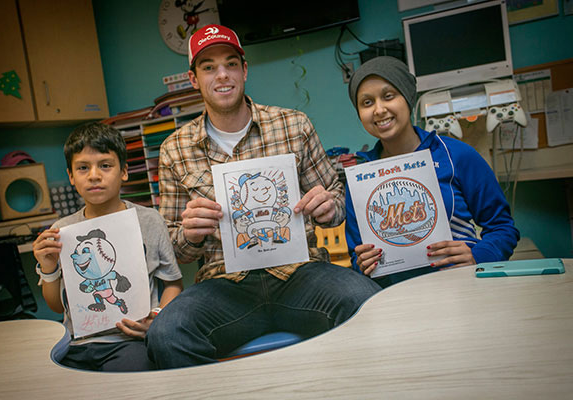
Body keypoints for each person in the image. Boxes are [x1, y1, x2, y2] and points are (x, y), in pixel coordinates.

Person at [147, 24, 381, 369]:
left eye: (230, 63)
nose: (222, 75)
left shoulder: (294, 124)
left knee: (367, 302)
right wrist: (190, 234)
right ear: (194, 78)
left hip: (302, 274)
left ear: (244, 69)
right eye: (209, 67)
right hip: (223, 287)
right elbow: (174, 248)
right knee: (166, 335)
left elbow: (336, 201)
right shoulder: (173, 150)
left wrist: (329, 206)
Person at [344, 56, 520, 288]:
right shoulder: (360, 177)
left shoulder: (457, 155)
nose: (379, 109)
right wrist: (362, 262)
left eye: (389, 96)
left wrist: (480, 255)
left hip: (463, 289)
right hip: (397, 299)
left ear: (407, 98)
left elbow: (502, 227)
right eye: (367, 103)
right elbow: (357, 257)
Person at [32, 122, 183, 371]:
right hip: (76, 344)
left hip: (129, 341)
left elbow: (173, 283)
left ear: (123, 171)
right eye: (82, 168)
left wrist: (155, 318)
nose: (94, 175)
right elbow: (57, 306)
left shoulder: (149, 220)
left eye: (105, 165)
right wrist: (48, 268)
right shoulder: (62, 230)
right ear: (70, 176)